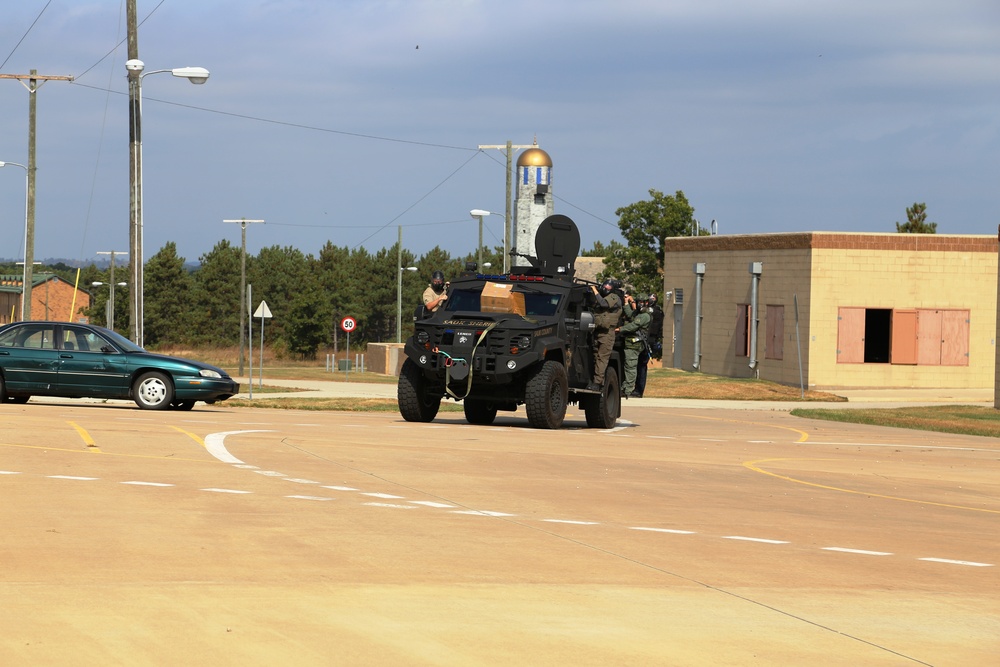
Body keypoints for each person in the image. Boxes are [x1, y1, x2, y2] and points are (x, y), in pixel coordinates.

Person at [586, 278, 622, 392]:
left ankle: (597, 383)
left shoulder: (614, 298)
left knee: (602, 359)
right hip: (597, 332)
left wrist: (594, 290)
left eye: (609, 287)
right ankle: (595, 381)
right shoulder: (602, 297)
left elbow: (603, 304)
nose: (606, 288)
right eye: (605, 285)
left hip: (607, 334)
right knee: (595, 357)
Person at [618, 292, 651, 398]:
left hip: (635, 345)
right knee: (629, 366)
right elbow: (630, 315)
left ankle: (628, 389)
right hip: (631, 344)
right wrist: (626, 302)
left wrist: (620, 329)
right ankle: (625, 388)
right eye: (639, 302)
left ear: (647, 303)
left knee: (631, 367)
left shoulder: (645, 316)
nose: (641, 304)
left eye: (643, 302)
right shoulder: (639, 314)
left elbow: (633, 325)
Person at [646, 292, 665, 360]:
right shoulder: (647, 308)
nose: (651, 299)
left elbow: (658, 324)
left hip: (652, 336)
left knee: (645, 357)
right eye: (650, 298)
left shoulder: (657, 310)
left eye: (653, 298)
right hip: (645, 335)